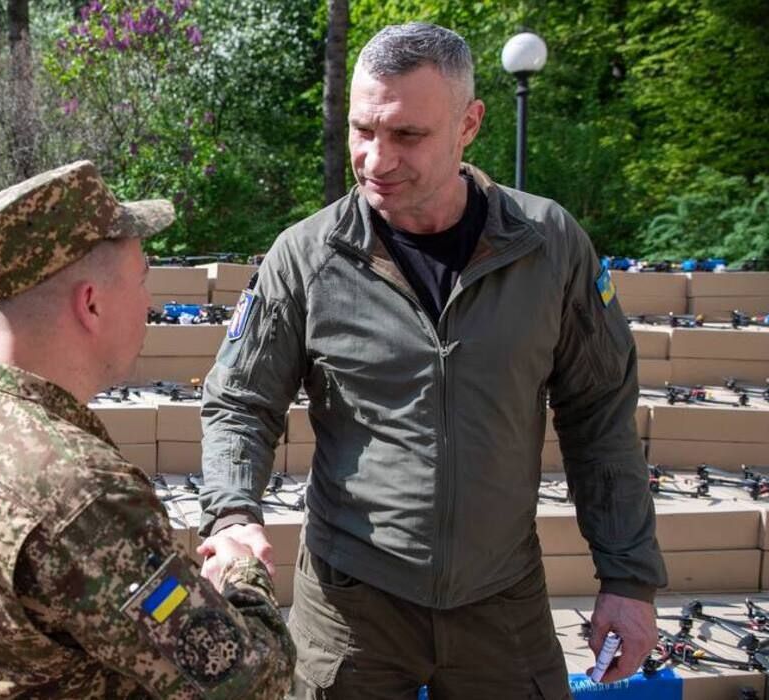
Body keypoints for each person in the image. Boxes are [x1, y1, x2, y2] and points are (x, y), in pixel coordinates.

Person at [196, 22, 667, 699]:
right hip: (350, 607)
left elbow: (600, 412)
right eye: (362, 130)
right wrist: (233, 513)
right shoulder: (306, 257)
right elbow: (241, 401)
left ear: (468, 124)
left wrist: (628, 579)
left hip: (500, 601)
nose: (376, 159)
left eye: (407, 135)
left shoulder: (549, 246)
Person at [0, 160, 295, 698]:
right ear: (91, 303)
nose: (150, 304)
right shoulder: (85, 496)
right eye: (142, 281)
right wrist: (242, 572)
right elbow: (250, 684)